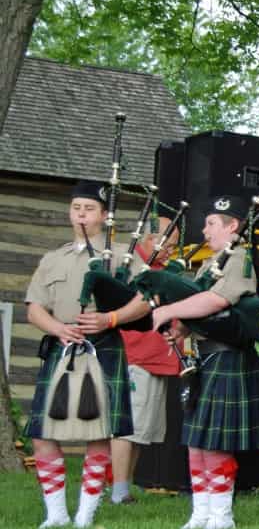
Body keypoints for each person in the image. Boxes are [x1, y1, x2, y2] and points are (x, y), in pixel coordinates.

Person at [151, 196, 259, 529]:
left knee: (216, 441)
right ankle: (200, 512)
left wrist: (169, 311)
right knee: (197, 439)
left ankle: (221, 515)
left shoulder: (240, 257)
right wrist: (180, 330)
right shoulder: (210, 263)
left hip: (229, 354)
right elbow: (200, 308)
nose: (204, 230)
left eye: (211, 223)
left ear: (233, 225)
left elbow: (219, 300)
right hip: (206, 355)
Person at [24, 180, 138, 529]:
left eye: (88, 209)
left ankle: (85, 514)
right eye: (76, 208)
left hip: (102, 346)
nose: (81, 214)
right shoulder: (52, 258)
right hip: (62, 347)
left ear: (104, 216)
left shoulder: (121, 256)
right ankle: (56, 514)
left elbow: (146, 300)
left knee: (98, 431)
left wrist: (110, 318)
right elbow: (33, 308)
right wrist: (57, 328)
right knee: (42, 434)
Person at [109, 216, 181, 504]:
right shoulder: (133, 267)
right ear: (149, 239)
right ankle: (117, 489)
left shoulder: (162, 268)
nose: (171, 251)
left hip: (156, 356)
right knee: (127, 426)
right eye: (168, 245)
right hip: (136, 354)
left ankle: (124, 486)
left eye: (175, 246)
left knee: (142, 429)